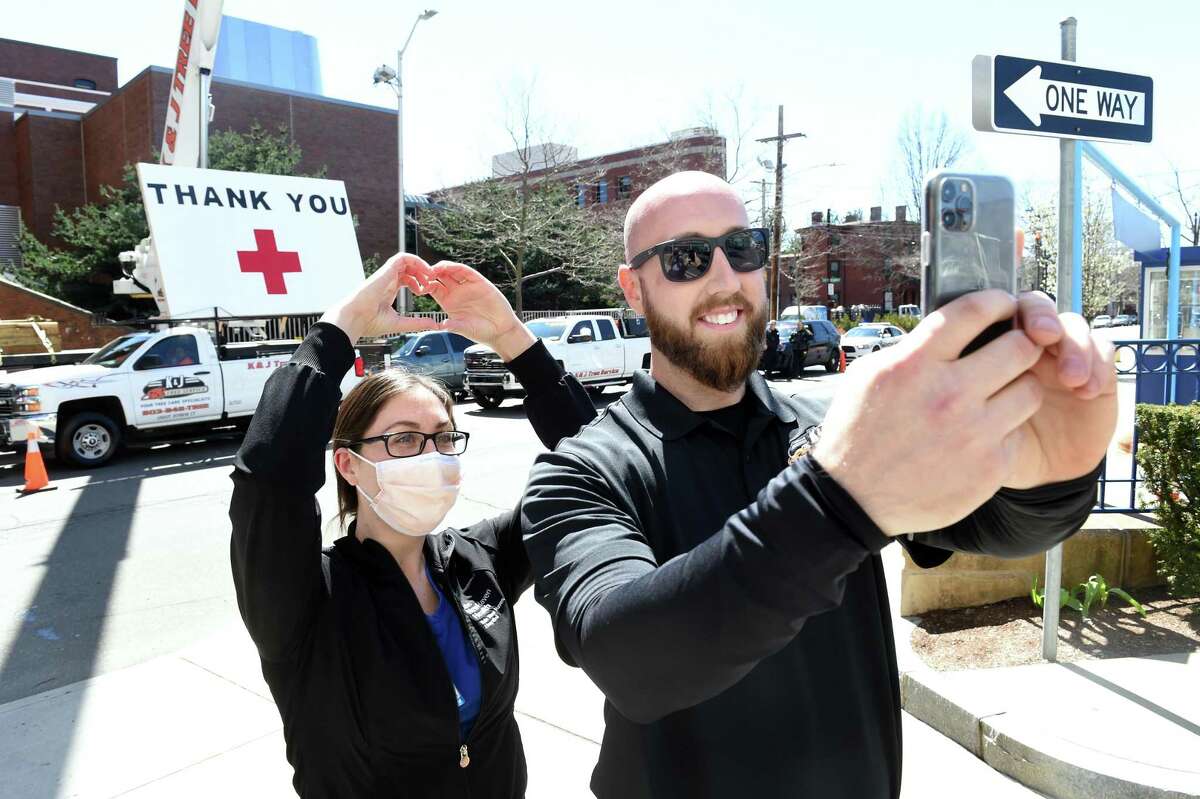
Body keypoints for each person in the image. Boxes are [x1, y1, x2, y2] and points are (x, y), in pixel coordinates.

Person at [520, 171, 1116, 798]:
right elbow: (628, 661)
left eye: (744, 248)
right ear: (633, 290)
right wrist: (836, 500)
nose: (725, 278)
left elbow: (999, 527)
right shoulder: (580, 472)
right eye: (686, 259)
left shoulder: (837, 431)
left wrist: (1051, 472)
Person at [229, 255, 595, 798]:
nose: (433, 455)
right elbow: (269, 480)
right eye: (403, 438)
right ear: (348, 463)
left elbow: (595, 472)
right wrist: (343, 327)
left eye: (444, 437)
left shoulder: (482, 557)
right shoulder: (306, 597)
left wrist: (513, 339)